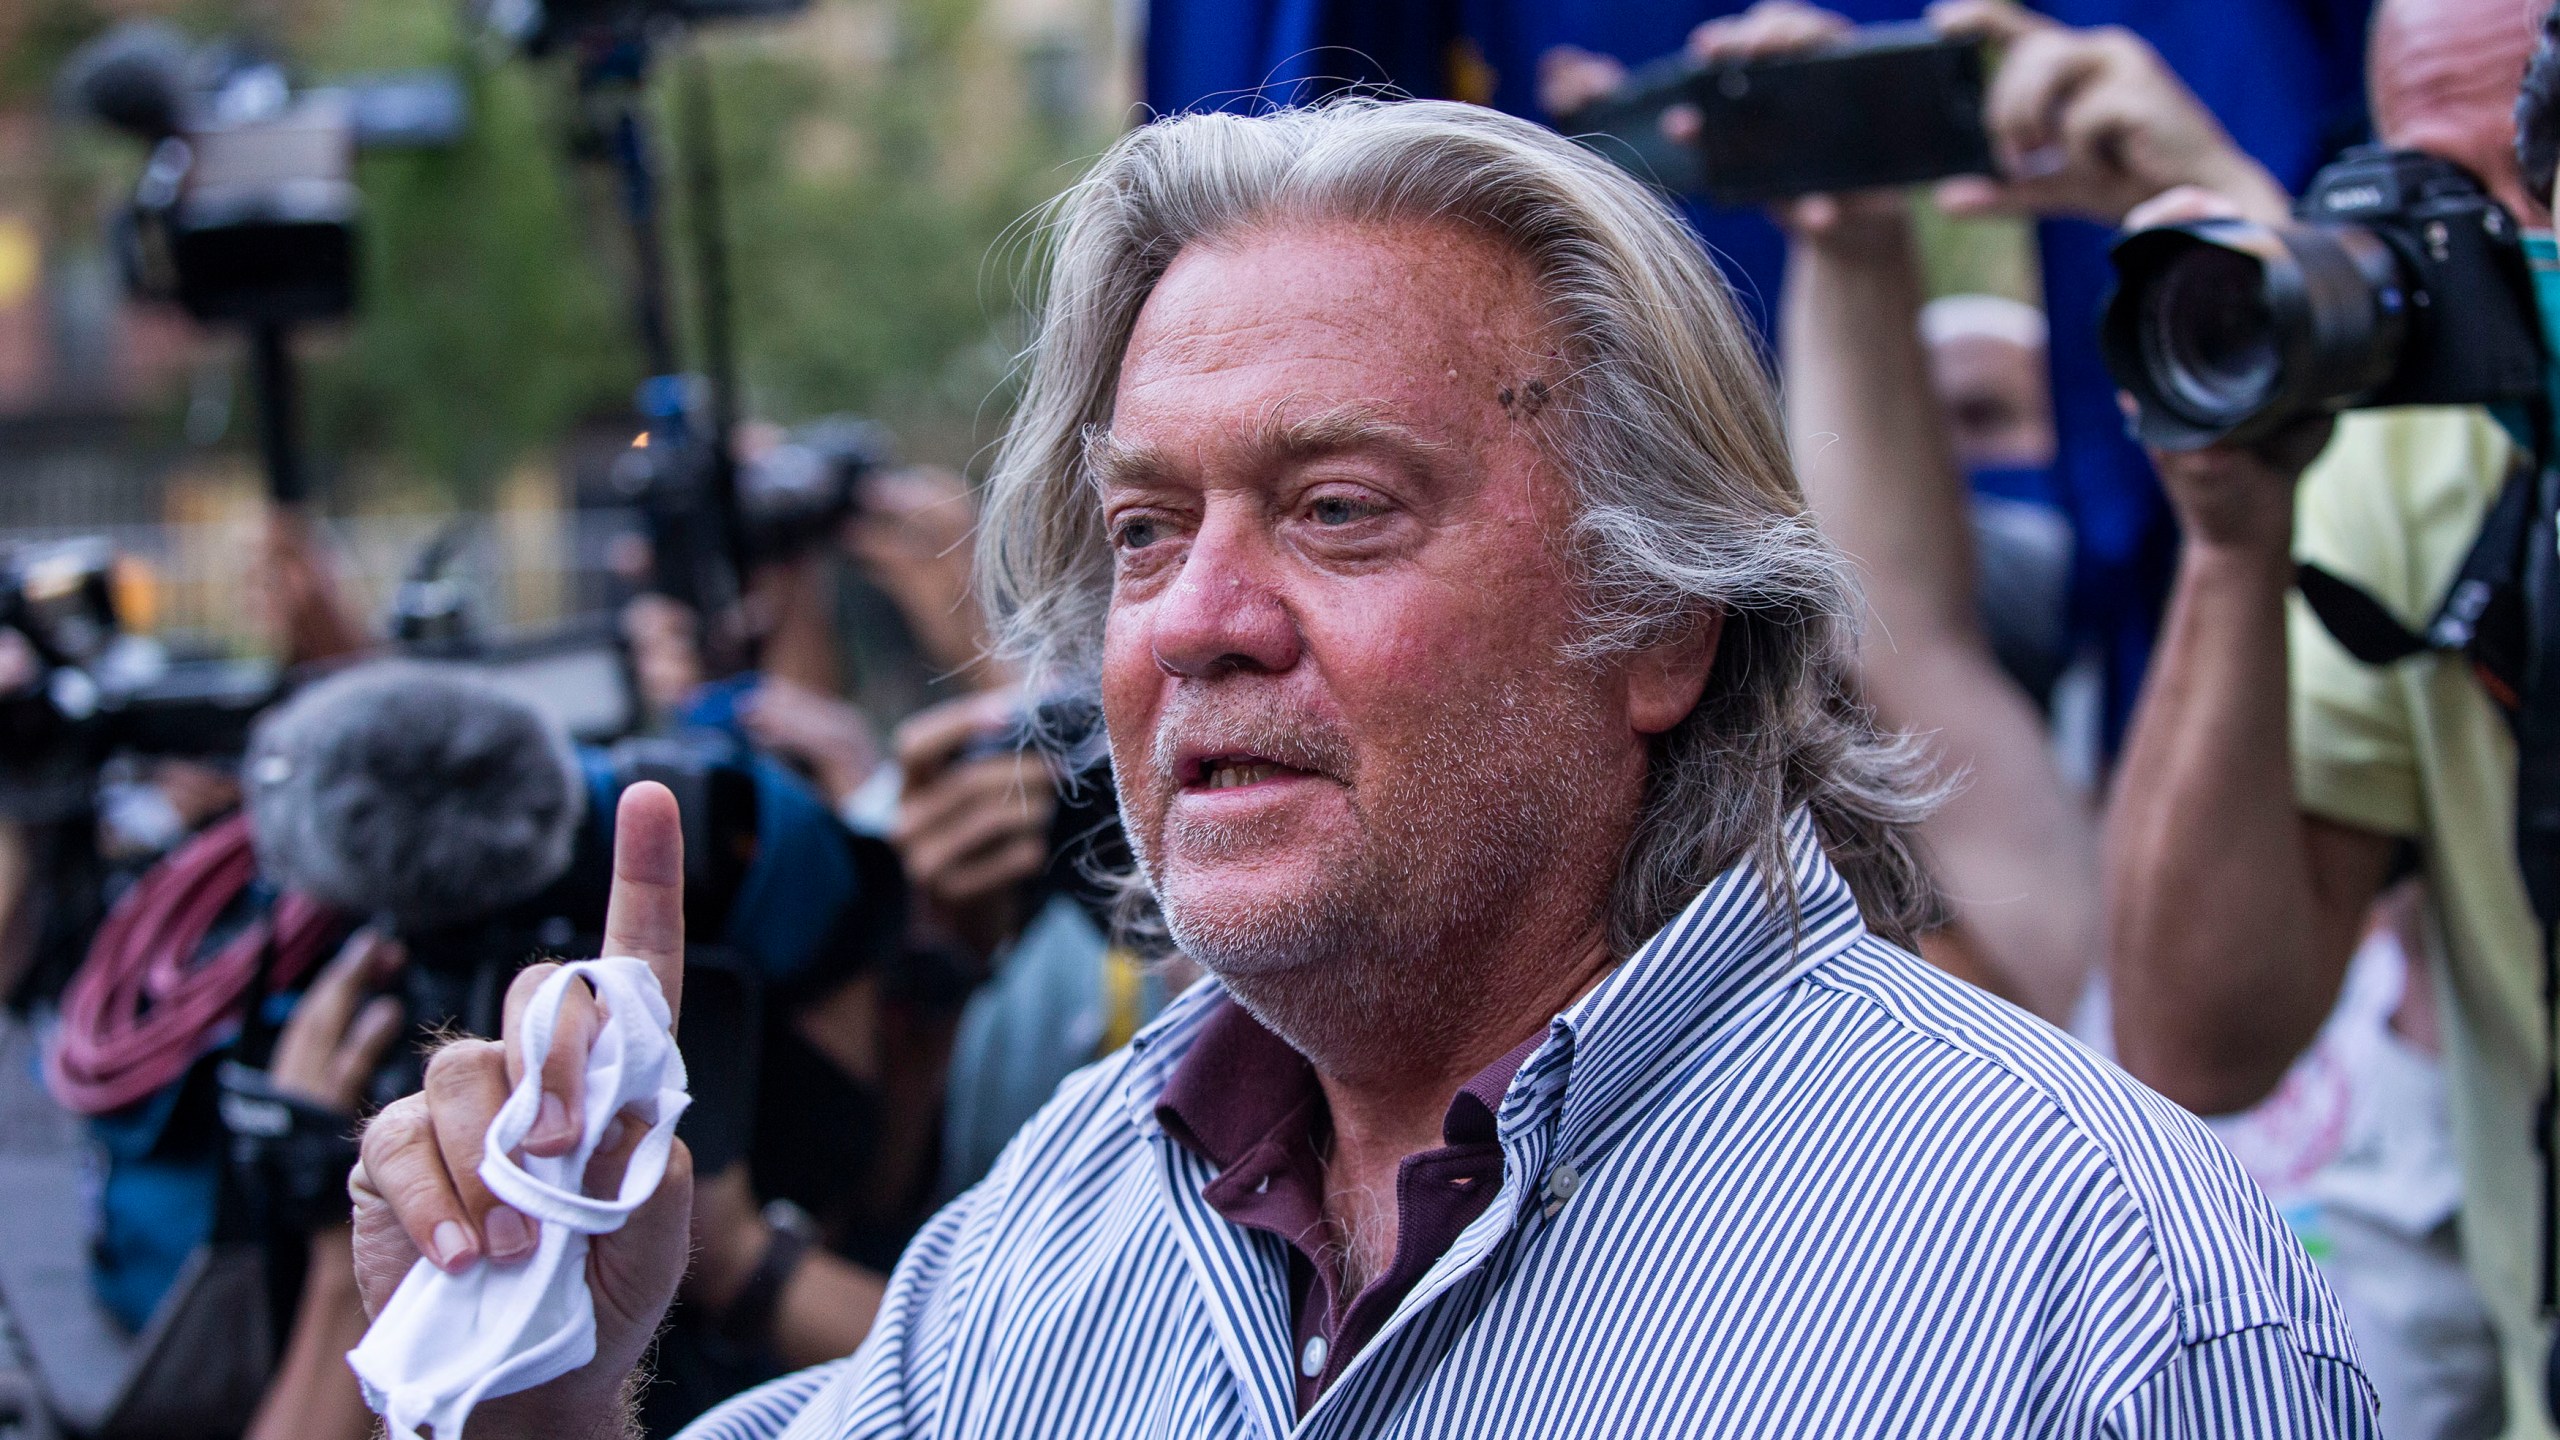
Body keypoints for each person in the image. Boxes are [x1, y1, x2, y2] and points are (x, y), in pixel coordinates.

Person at [348, 99, 2372, 1438]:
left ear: (1655, 624)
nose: (1193, 619)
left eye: (1332, 509)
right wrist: (546, 1358)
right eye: (1143, 529)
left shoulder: (2085, 1282)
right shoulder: (1061, 1224)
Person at [2104, 0, 2560, 1429]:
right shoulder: (2418, 438)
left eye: (2539, 178)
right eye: (2440, 189)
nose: (2493, 250)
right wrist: (2238, 538)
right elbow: (2199, 1041)